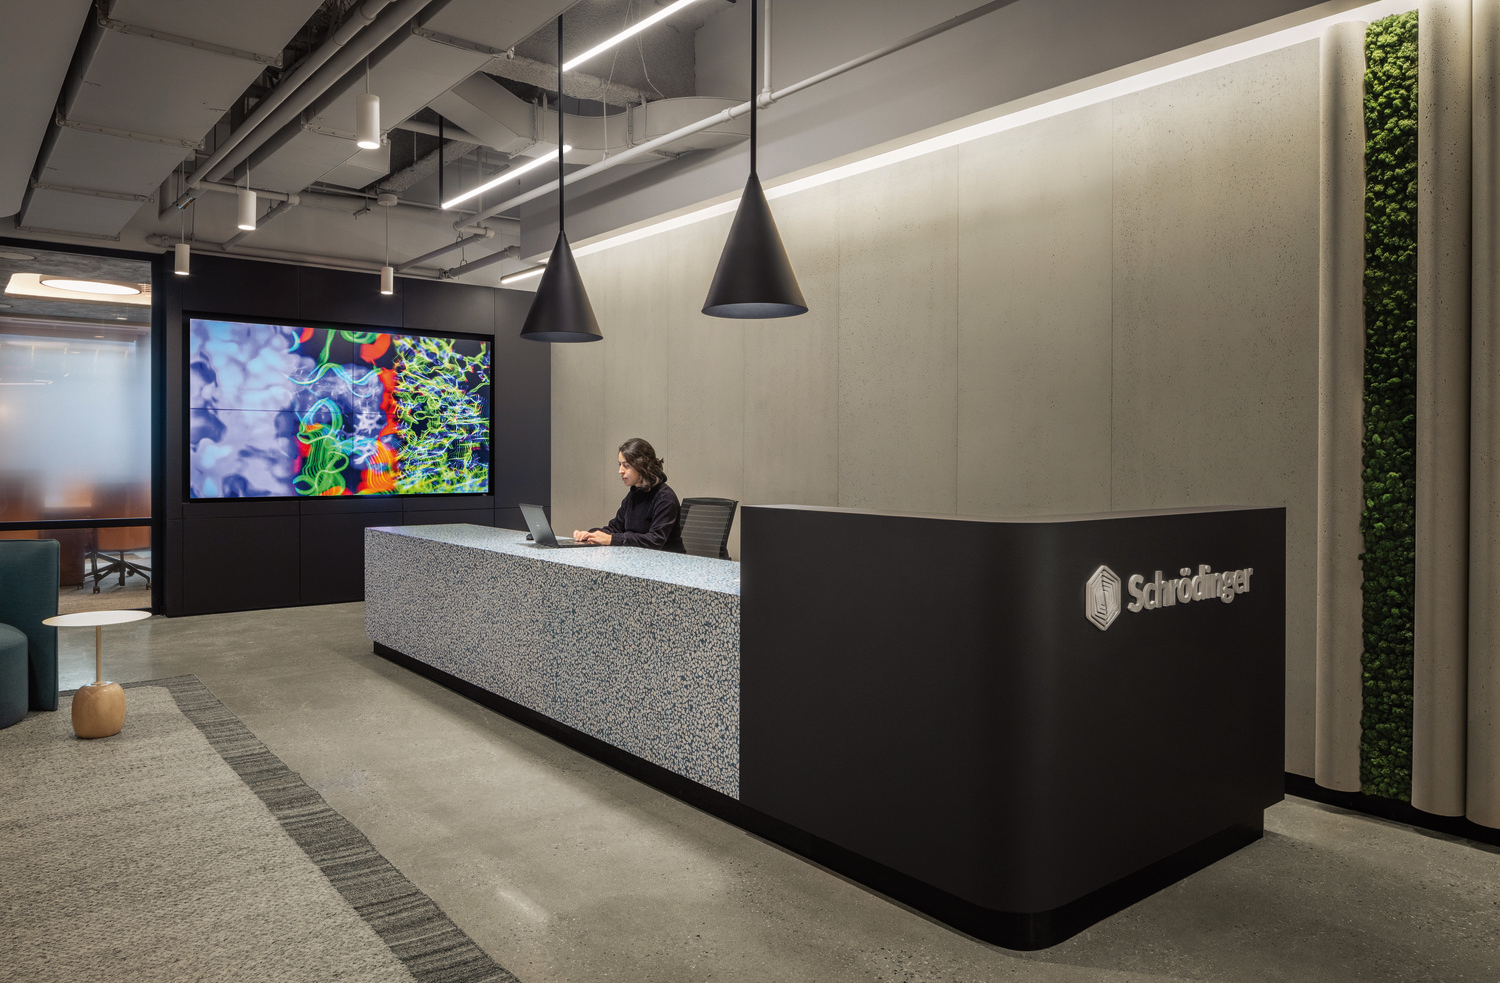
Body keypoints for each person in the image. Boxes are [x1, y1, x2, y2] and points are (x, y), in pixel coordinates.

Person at [573, 438, 684, 551]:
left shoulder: (665, 498)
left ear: (642, 466)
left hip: (665, 560)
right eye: (620, 464)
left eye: (626, 466)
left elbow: (655, 540)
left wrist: (612, 539)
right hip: (639, 557)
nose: (620, 471)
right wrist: (591, 535)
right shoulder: (635, 493)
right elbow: (616, 528)